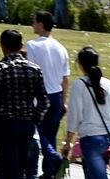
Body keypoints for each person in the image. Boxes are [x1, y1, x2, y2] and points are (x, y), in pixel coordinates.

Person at [0, 28, 48, 179]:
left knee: (5, 167)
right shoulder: (35, 69)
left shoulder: (0, 68)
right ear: (21, 45)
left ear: (2, 45)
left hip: (5, 124)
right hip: (26, 125)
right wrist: (35, 118)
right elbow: (44, 101)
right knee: (20, 167)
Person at [65, 47, 110, 179]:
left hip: (90, 139)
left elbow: (75, 117)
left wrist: (68, 142)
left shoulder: (79, 85)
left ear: (79, 64)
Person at [30, 11, 73, 179]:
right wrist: (64, 101)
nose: (32, 25)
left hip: (40, 96)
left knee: (41, 134)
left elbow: (32, 72)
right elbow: (65, 78)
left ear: (41, 24)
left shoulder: (33, 45)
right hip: (57, 95)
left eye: (34, 21)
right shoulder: (61, 48)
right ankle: (49, 173)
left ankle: (54, 158)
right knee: (51, 135)